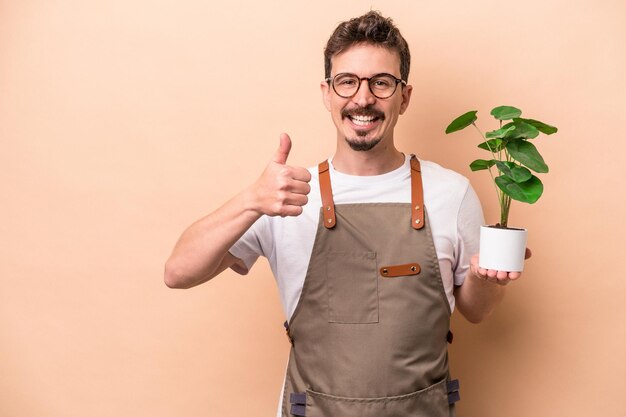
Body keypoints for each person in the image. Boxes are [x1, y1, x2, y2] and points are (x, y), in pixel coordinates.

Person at [165, 11, 528, 417]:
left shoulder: (451, 193)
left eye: (382, 82)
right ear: (327, 93)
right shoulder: (285, 197)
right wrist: (250, 200)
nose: (363, 98)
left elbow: (476, 311)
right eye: (347, 81)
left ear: (404, 96)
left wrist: (486, 280)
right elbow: (178, 273)